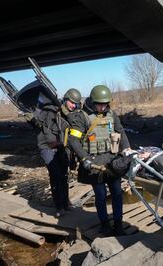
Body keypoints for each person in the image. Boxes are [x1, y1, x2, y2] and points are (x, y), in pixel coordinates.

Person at [66, 85, 132, 236]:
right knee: (101, 195)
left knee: (116, 193)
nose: (103, 107)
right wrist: (84, 158)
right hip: (95, 162)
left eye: (106, 104)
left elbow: (121, 131)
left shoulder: (111, 114)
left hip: (112, 160)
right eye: (100, 104)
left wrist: (127, 149)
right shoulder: (82, 117)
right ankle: (105, 225)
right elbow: (73, 140)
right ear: (93, 101)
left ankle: (118, 224)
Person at [27, 88, 82, 218]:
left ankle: (66, 203)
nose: (74, 105)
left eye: (76, 103)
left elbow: (74, 129)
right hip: (47, 147)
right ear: (66, 99)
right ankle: (59, 206)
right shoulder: (50, 109)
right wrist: (31, 119)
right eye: (72, 102)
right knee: (55, 175)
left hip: (61, 147)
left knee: (64, 175)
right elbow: (39, 123)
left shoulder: (70, 114)